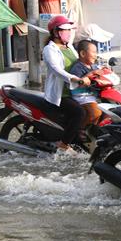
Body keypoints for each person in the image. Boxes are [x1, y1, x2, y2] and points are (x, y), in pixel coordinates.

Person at [42, 15, 89, 150]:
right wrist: (75, 79)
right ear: (56, 32)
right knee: (79, 113)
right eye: (65, 30)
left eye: (69, 30)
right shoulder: (49, 49)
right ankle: (64, 144)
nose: (68, 33)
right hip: (60, 95)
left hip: (74, 91)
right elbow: (56, 69)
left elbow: (80, 62)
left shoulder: (69, 48)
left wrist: (97, 68)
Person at [69, 40, 105, 130]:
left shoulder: (94, 66)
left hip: (94, 95)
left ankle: (96, 129)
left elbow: (101, 72)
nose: (95, 55)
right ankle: (81, 130)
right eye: (93, 52)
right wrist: (89, 75)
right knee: (96, 113)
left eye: (96, 52)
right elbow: (76, 83)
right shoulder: (77, 67)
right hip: (83, 97)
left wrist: (105, 70)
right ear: (83, 53)